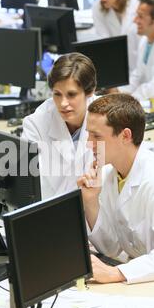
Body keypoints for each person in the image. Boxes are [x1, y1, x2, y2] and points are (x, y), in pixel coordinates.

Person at [78, 93, 154, 284]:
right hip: (146, 279)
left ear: (125, 136)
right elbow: (112, 248)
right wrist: (91, 201)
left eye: (96, 136)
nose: (88, 144)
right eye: (88, 134)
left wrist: (115, 273)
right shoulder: (112, 174)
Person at [22, 53, 97, 199]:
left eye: (71, 94)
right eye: (57, 94)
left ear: (90, 92)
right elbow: (32, 184)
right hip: (50, 209)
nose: (63, 103)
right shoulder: (36, 123)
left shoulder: (108, 118)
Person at [92, 0, 142, 72]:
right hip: (121, 71)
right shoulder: (97, 8)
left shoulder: (140, 4)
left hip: (144, 70)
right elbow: (105, 47)